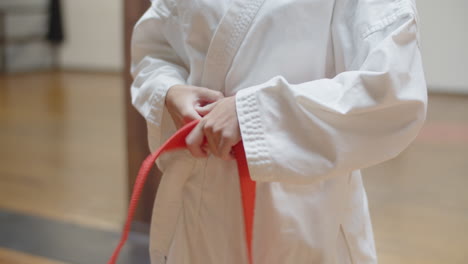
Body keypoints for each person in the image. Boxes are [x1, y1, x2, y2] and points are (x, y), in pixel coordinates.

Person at [130, 0, 427, 263]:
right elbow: (156, 48)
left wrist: (257, 114)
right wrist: (169, 89)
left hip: (300, 207)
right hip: (199, 200)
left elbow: (391, 88)